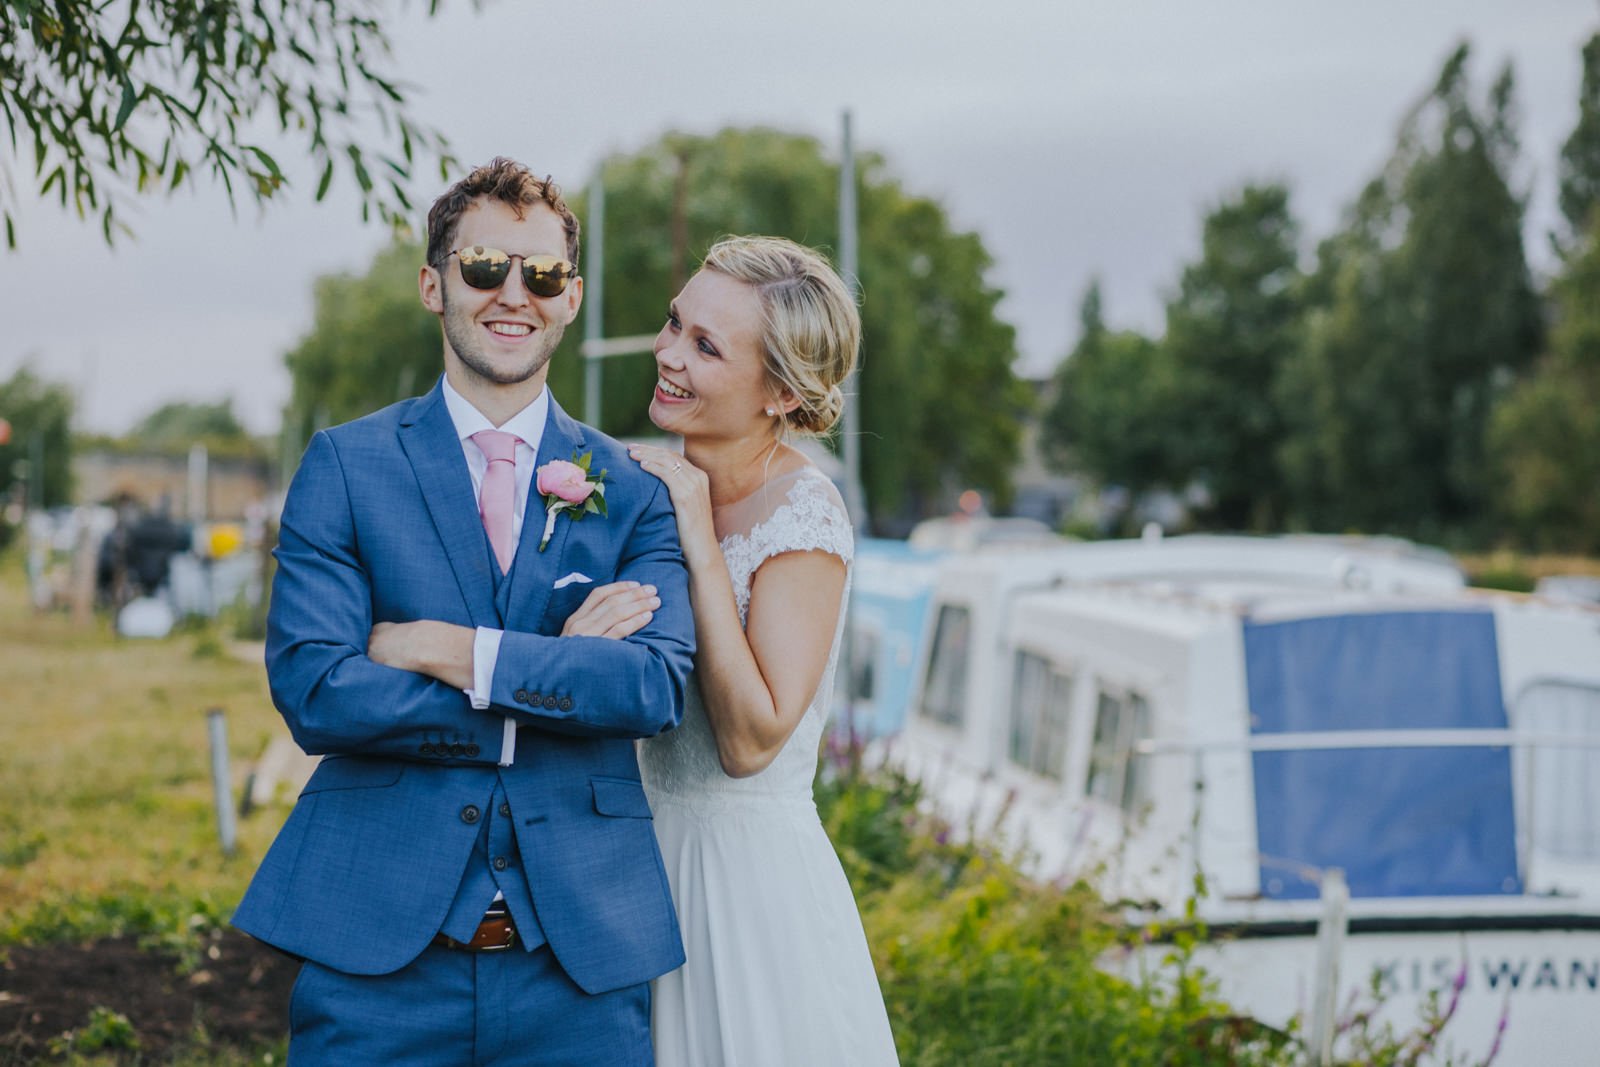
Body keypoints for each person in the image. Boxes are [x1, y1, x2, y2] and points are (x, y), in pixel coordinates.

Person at [232, 158, 695, 1066]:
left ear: (572, 298)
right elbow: (319, 690)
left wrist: (449, 650)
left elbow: (649, 687)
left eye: (543, 274)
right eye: (484, 266)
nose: (512, 293)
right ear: (433, 283)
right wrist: (551, 671)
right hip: (376, 964)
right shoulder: (345, 465)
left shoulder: (634, 488)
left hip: (580, 971)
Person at [627, 235, 900, 1065]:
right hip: (635, 864)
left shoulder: (804, 517)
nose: (668, 354)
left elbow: (750, 740)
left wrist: (699, 537)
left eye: (705, 347)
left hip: (742, 885)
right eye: (676, 324)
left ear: (781, 391)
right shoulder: (643, 485)